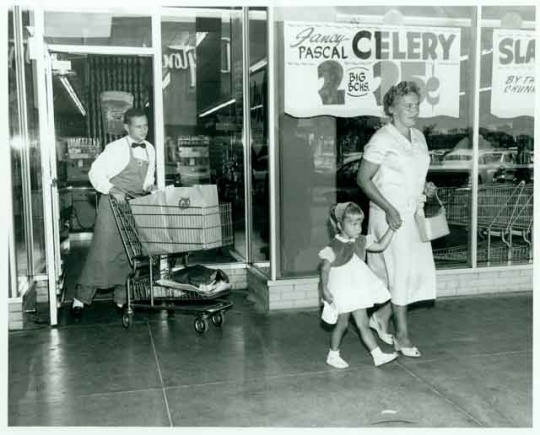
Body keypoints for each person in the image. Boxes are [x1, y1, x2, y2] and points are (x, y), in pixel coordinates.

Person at [357, 81, 437, 358]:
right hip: (389, 217)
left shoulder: (419, 136)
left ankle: (380, 318)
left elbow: (415, 173)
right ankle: (402, 337)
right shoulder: (382, 139)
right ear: (391, 109)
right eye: (407, 106)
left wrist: (426, 187)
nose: (414, 110)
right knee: (400, 273)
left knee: (413, 274)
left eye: (416, 105)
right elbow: (363, 179)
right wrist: (389, 209)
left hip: (413, 214)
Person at [71, 108, 156, 320]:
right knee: (102, 251)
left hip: (136, 204)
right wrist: (112, 189)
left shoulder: (150, 149)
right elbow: (95, 173)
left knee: (130, 253)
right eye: (138, 126)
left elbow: (147, 178)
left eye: (145, 126)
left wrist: (151, 186)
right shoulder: (115, 148)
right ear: (126, 127)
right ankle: (80, 298)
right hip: (113, 205)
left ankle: (121, 298)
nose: (143, 130)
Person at [319, 201, 398, 368]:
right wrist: (324, 289)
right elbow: (325, 270)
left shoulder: (361, 241)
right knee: (342, 324)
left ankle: (377, 356)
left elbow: (381, 245)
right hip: (342, 292)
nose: (358, 228)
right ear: (340, 225)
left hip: (357, 291)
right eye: (353, 224)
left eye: (360, 223)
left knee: (363, 324)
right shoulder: (334, 246)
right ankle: (333, 355)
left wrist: (392, 229)